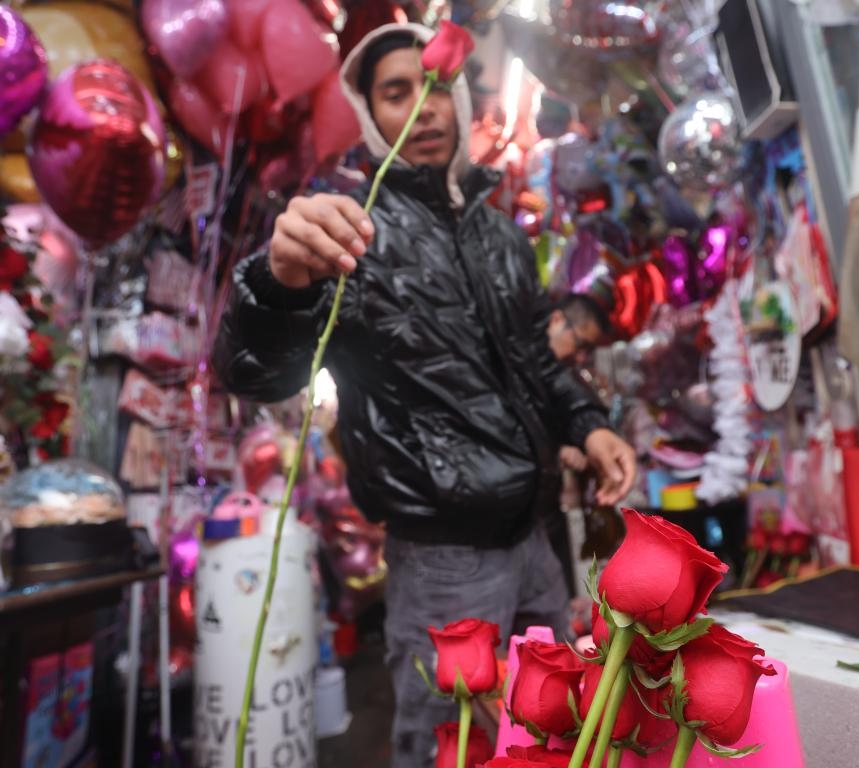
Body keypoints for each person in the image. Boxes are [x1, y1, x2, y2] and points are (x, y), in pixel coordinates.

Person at [213, 23, 637, 768]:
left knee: (557, 732)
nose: (425, 105)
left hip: (536, 536)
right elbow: (255, 375)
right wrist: (277, 286)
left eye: (435, 84)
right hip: (441, 558)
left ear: (460, 92)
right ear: (370, 111)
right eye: (397, 91)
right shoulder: (346, 227)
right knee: (451, 746)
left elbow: (537, 356)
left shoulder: (499, 234)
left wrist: (589, 423)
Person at [543, 293, 613, 595]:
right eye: (581, 344)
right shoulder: (514, 368)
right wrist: (554, 452)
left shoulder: (568, 380)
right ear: (557, 320)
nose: (582, 356)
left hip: (549, 515)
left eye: (589, 350)